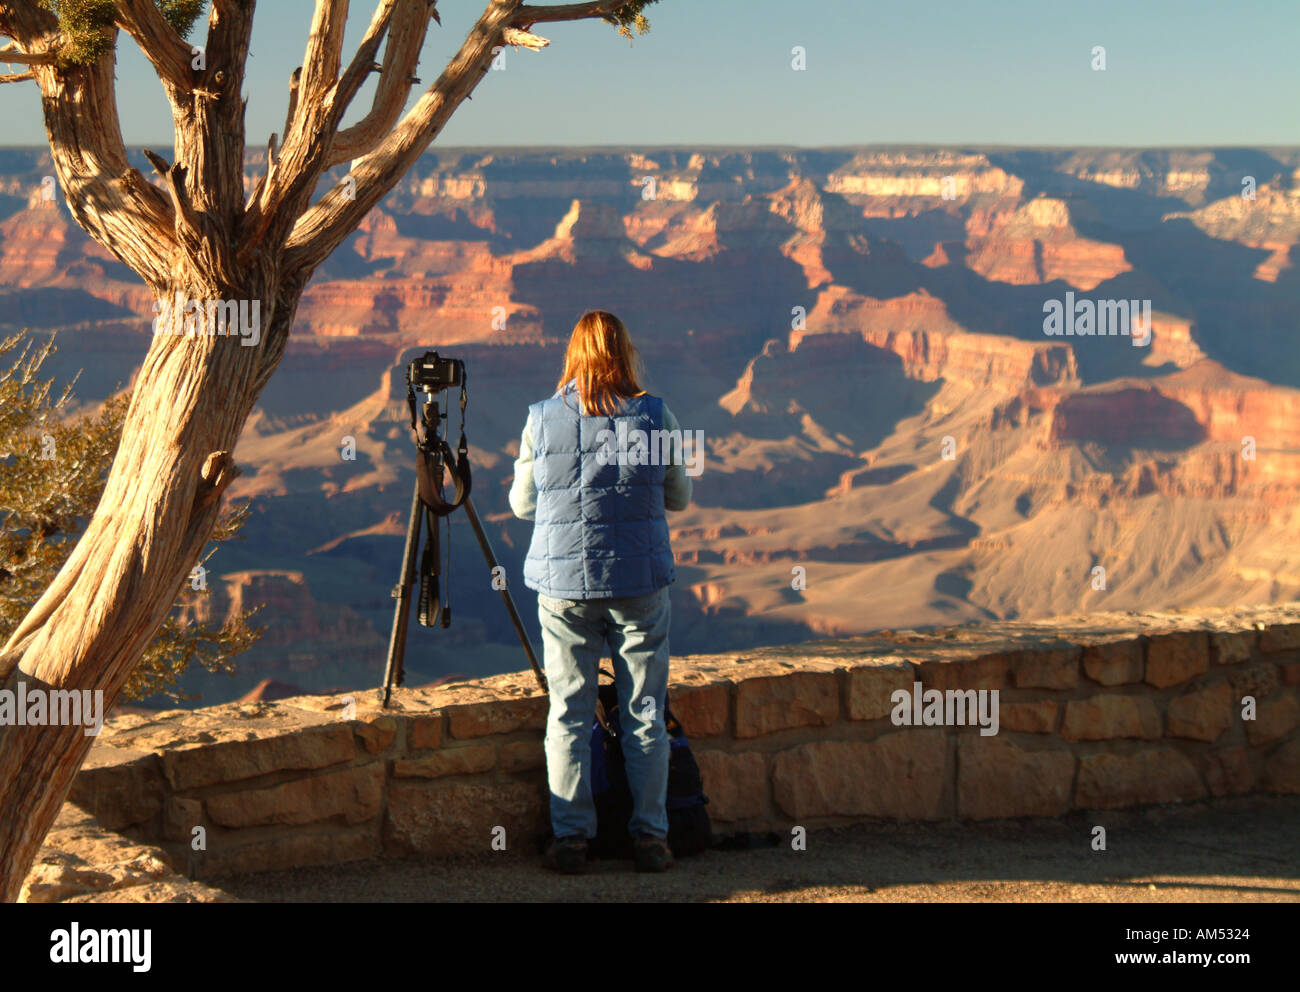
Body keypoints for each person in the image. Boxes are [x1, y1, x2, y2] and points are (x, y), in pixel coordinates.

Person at [509, 310, 692, 874]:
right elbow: (678, 497)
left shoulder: (540, 419)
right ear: (624, 351)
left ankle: (571, 839)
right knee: (643, 710)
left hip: (564, 589)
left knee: (568, 710)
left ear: (573, 354)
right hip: (638, 587)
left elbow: (522, 506)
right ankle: (651, 838)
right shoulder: (656, 416)